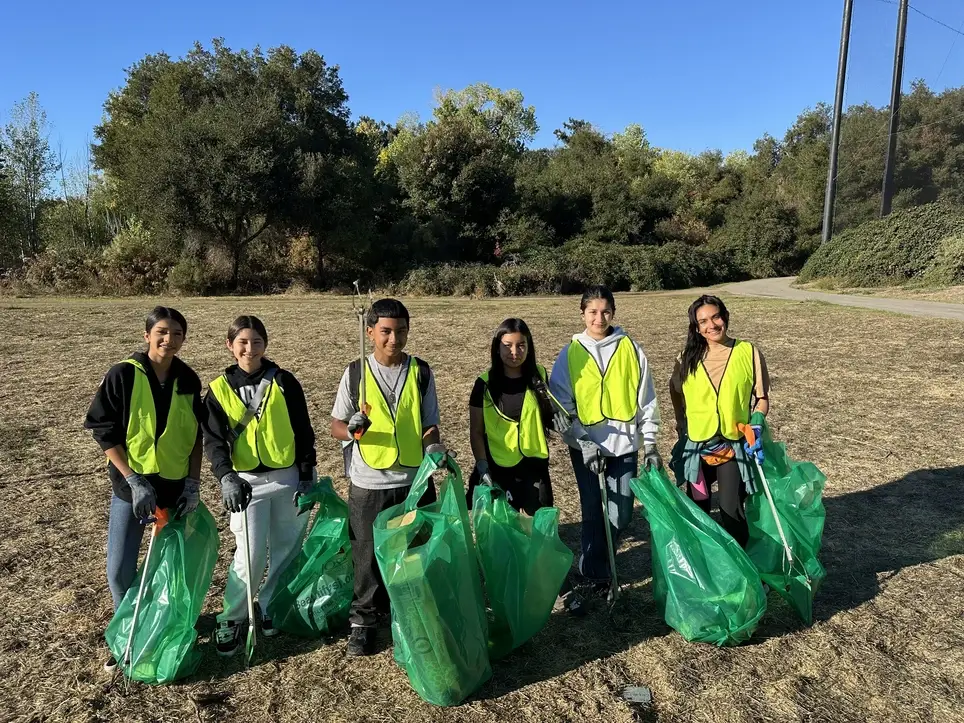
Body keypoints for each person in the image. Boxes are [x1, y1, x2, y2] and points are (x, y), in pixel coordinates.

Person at [84, 306, 205, 672]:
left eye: (177, 333)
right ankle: (127, 633)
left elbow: (196, 437)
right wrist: (133, 480)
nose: (169, 340)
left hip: (172, 490)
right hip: (131, 491)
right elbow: (102, 429)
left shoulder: (189, 379)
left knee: (164, 570)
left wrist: (193, 483)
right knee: (119, 570)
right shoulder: (123, 374)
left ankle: (158, 627)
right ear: (147, 334)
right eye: (162, 332)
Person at [330, 298, 448, 657]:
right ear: (370, 333)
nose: (393, 339)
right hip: (369, 483)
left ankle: (409, 615)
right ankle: (363, 623)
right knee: (365, 557)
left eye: (400, 331)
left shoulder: (421, 372)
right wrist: (350, 430)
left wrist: (434, 447)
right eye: (385, 332)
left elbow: (430, 425)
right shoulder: (355, 373)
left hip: (414, 482)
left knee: (413, 554)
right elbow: (336, 425)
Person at [202, 315, 317, 656]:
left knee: (286, 548)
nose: (249, 348)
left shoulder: (284, 381)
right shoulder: (218, 389)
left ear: (265, 344)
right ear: (230, 345)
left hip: (286, 477)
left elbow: (303, 429)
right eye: (242, 342)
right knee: (249, 556)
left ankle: (269, 603)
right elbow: (213, 441)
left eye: (256, 341)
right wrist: (226, 477)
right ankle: (232, 616)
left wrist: (308, 473)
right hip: (246, 482)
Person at [549, 286, 662, 607]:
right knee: (592, 509)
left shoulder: (631, 348)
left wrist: (650, 443)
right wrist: (581, 442)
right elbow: (561, 406)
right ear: (582, 313)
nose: (599, 318)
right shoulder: (569, 353)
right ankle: (597, 571)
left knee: (621, 512)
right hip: (585, 447)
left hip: (624, 445)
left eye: (605, 311)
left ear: (614, 312)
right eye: (592, 312)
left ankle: (599, 558)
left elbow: (647, 399)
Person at [669, 295, 770, 548]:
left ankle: (742, 570)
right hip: (697, 447)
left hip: (732, 445)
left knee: (729, 509)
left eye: (715, 317)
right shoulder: (686, 358)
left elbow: (762, 397)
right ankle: (707, 568)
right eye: (702, 321)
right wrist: (681, 421)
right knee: (698, 508)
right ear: (695, 326)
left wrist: (756, 422)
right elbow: (674, 389)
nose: (711, 325)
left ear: (725, 316)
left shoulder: (748, 352)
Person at [467, 318, 570, 515]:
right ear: (497, 348)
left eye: (521, 345)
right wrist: (482, 465)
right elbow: (477, 431)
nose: (514, 352)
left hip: (534, 465)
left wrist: (560, 421)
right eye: (507, 346)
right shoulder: (484, 384)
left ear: (529, 347)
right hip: (498, 466)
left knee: (537, 525)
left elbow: (547, 414)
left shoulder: (539, 375)